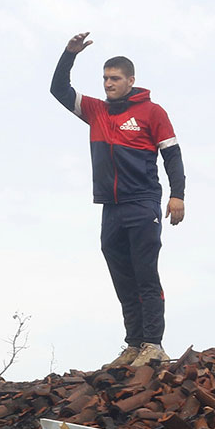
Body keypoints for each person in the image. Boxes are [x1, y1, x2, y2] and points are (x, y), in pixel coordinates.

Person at [51, 32, 186, 369]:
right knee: (122, 276)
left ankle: (153, 344)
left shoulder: (152, 112)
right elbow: (59, 90)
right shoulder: (97, 111)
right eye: (105, 79)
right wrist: (69, 55)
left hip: (142, 203)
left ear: (131, 80)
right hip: (110, 208)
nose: (108, 84)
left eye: (114, 79)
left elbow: (172, 154)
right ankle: (134, 343)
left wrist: (177, 195)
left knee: (145, 274)